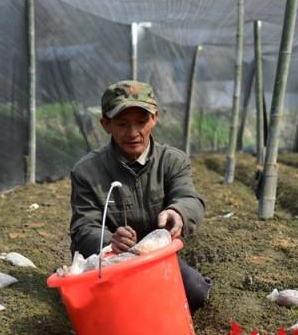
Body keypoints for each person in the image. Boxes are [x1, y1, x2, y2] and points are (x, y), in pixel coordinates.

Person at [70, 80, 211, 311]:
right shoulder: (87, 171)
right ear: (106, 124)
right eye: (122, 124)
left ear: (154, 118)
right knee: (108, 307)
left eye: (142, 122)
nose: (133, 133)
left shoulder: (172, 161)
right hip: (108, 263)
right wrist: (111, 241)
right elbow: (84, 228)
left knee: (195, 291)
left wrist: (178, 213)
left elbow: (188, 197)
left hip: (157, 259)